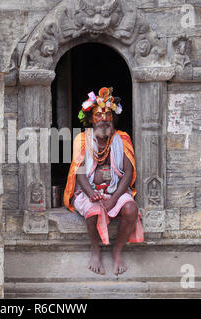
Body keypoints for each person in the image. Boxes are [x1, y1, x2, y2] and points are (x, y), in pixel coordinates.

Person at [63, 87, 144, 276]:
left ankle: (117, 251)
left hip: (115, 191)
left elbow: (128, 172)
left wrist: (114, 198)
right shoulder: (82, 139)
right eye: (98, 115)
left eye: (108, 114)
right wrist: (92, 194)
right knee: (93, 211)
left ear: (113, 118)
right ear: (91, 119)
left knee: (131, 209)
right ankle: (96, 251)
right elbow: (80, 172)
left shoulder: (122, 138)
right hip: (87, 191)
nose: (104, 119)